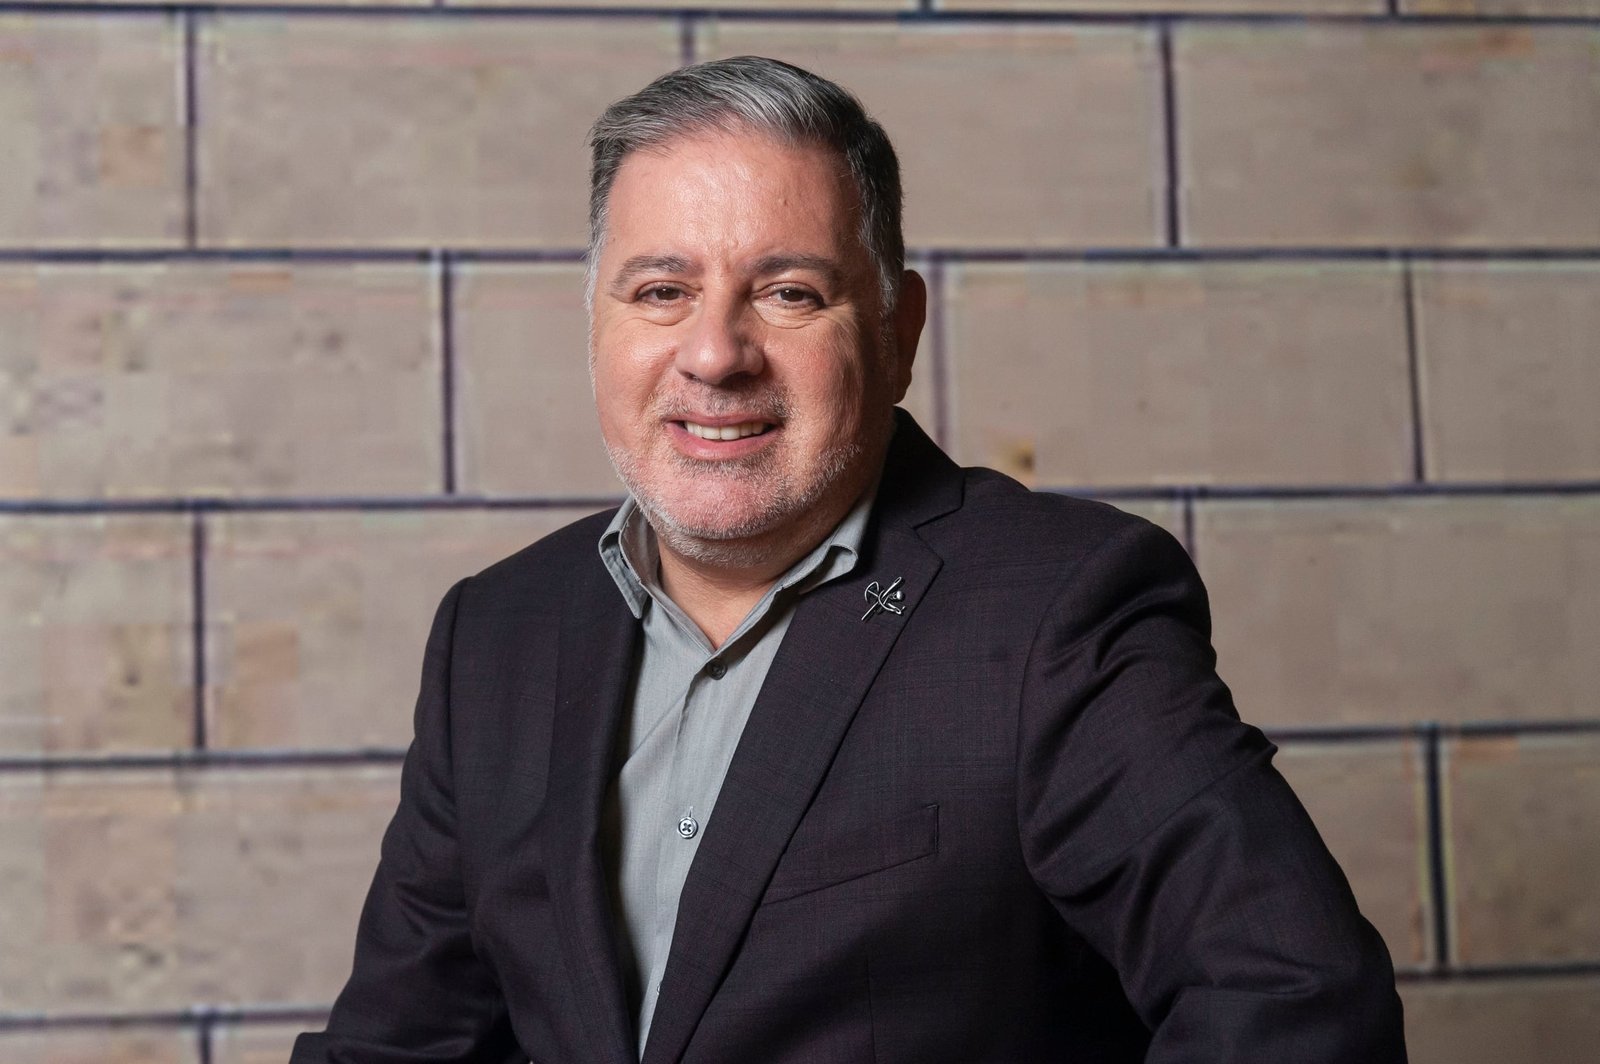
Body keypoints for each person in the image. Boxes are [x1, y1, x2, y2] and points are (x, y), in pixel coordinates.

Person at [291, 56, 1407, 1063]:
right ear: (597, 324)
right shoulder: (497, 636)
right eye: (661, 291)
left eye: (789, 293)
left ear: (897, 329)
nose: (715, 353)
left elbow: (1294, 998)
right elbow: (400, 1044)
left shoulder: (1053, 612)